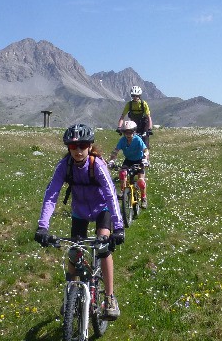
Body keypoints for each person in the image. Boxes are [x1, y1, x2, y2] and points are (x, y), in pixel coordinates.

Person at [35, 124, 125, 320]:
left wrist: (118, 228)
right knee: (75, 252)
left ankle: (109, 297)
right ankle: (70, 297)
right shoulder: (64, 166)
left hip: (102, 210)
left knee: (103, 246)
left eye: (82, 145)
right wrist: (43, 226)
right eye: (73, 146)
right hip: (80, 212)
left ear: (90, 145)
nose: (78, 150)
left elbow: (111, 194)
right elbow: (51, 195)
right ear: (68, 148)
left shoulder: (97, 165)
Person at [108, 120, 149, 209]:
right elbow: (116, 151)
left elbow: (145, 150)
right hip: (128, 160)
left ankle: (143, 198)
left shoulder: (138, 139)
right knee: (122, 173)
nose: (128, 134)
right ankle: (123, 192)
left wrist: (145, 159)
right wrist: (112, 161)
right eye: (126, 132)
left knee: (141, 181)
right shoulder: (122, 140)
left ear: (134, 131)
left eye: (130, 132)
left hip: (139, 160)